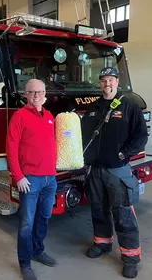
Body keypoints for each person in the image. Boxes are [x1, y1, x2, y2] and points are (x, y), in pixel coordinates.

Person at [81, 67, 148, 279]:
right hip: (95, 170)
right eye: (103, 80)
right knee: (98, 209)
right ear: (100, 84)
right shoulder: (93, 108)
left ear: (117, 83)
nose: (106, 84)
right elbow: (83, 136)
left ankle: (130, 257)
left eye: (110, 80)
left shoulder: (129, 106)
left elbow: (140, 136)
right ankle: (102, 243)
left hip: (118, 171)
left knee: (123, 213)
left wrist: (124, 155)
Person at [6, 79, 58, 280]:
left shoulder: (49, 116)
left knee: (44, 217)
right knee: (26, 223)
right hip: (30, 180)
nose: (36, 95)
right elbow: (11, 148)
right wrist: (18, 176)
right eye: (32, 92)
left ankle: (38, 251)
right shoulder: (19, 117)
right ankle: (25, 262)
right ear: (25, 94)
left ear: (45, 94)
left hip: (50, 179)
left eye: (40, 92)